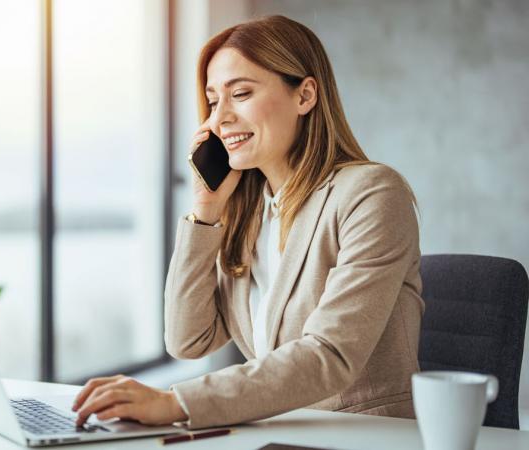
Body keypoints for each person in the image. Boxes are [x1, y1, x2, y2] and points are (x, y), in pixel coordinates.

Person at [71, 15, 423, 429]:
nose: (220, 118)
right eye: (213, 100)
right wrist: (205, 210)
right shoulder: (250, 211)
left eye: (240, 93)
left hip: (366, 435)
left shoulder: (372, 194)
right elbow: (188, 339)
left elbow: (331, 353)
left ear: (305, 95)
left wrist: (176, 402)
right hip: (274, 430)